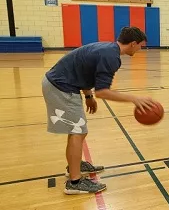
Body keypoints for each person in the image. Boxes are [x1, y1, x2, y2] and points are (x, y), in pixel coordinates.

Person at [42, 27, 157, 194]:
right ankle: (74, 182)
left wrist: (88, 96)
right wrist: (135, 99)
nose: (141, 49)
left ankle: (75, 165)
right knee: (77, 131)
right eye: (141, 46)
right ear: (133, 43)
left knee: (79, 131)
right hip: (60, 86)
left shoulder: (107, 48)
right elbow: (102, 91)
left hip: (62, 84)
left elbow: (84, 70)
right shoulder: (111, 57)